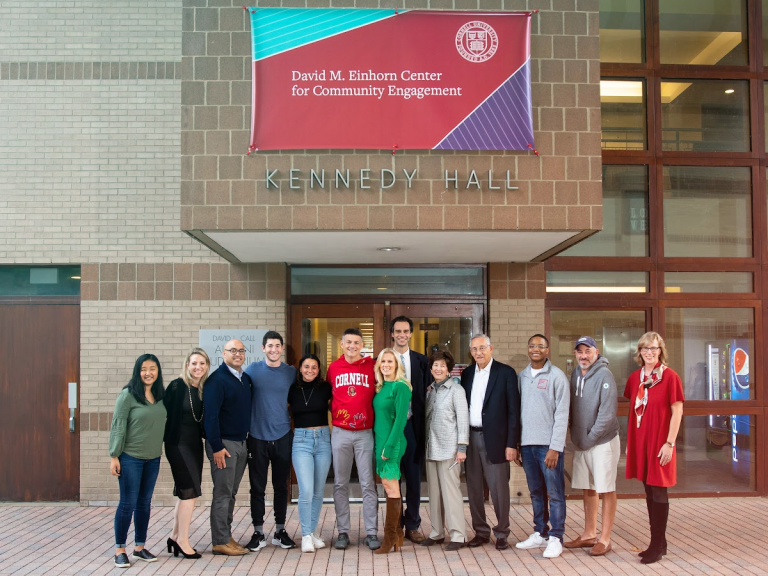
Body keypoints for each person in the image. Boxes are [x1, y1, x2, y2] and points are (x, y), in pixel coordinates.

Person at [624, 332, 684, 565]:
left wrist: (669, 443)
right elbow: (634, 413)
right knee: (648, 490)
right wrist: (631, 444)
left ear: (661, 351)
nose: (649, 352)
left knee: (659, 490)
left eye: (654, 348)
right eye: (645, 348)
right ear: (639, 351)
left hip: (661, 443)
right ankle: (660, 542)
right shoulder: (634, 378)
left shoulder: (670, 377)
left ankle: (656, 545)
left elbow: (677, 411)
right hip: (641, 442)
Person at [461, 334, 520, 551]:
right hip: (471, 438)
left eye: (482, 348)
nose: (478, 352)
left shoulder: (505, 373)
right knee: (474, 488)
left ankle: (502, 532)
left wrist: (512, 444)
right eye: (474, 349)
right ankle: (481, 532)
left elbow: (514, 412)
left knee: (499, 489)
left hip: (496, 440)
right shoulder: (467, 374)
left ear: (491, 348)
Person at [109, 354, 167, 568]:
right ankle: (120, 550)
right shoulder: (128, 395)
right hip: (130, 458)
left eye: (152, 368)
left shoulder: (160, 396)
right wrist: (114, 455)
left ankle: (139, 547)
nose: (148, 373)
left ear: (158, 371)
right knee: (127, 503)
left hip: (153, 458)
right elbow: (118, 425)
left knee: (144, 503)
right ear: (137, 371)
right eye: (144, 369)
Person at [564, 336, 620, 557]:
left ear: (597, 352)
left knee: (606, 488)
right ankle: (589, 534)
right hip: (582, 442)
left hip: (602, 441)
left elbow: (606, 415)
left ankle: (605, 539)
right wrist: (575, 435)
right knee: (589, 487)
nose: (583, 355)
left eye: (587, 351)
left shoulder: (605, 375)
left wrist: (588, 439)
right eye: (579, 352)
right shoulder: (576, 373)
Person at [515, 334, 569, 559]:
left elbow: (562, 414)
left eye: (540, 346)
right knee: (536, 492)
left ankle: (556, 537)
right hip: (527, 445)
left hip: (548, 446)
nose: (535, 349)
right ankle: (541, 532)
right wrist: (517, 444)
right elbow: (517, 413)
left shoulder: (557, 376)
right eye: (532, 346)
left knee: (555, 493)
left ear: (548, 350)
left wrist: (555, 447)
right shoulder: (522, 376)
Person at [327, 328, 380, 550]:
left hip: (365, 433)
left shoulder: (371, 366)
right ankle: (343, 532)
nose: (352, 346)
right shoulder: (333, 368)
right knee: (340, 483)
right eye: (348, 342)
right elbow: (329, 396)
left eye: (356, 342)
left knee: (368, 483)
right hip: (340, 432)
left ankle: (371, 532)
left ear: (362, 345)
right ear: (341, 344)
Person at [244, 331, 297, 551]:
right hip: (256, 436)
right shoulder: (252, 371)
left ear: (282, 348)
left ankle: (280, 531)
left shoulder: (291, 373)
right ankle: (258, 532)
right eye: (270, 346)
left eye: (277, 346)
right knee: (257, 488)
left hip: (283, 435)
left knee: (281, 487)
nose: (274, 349)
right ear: (263, 348)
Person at [202, 339, 252, 556]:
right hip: (223, 446)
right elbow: (210, 417)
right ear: (223, 353)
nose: (238, 354)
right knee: (222, 493)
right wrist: (216, 447)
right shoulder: (216, 380)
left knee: (231, 493)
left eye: (241, 351)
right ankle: (219, 541)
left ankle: (226, 535)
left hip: (241, 443)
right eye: (233, 350)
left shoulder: (245, 378)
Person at [163, 348, 210, 560]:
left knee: (185, 492)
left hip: (194, 446)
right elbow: (161, 413)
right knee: (190, 492)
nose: (198, 367)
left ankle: (174, 537)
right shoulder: (176, 386)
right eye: (194, 363)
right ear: (187, 365)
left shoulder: (203, 389)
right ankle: (183, 540)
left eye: (202, 363)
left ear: (207, 366)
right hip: (177, 444)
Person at [420, 349, 468, 551]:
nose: (438, 368)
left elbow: (463, 420)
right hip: (431, 448)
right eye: (435, 365)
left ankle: (458, 535)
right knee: (434, 493)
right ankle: (436, 532)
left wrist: (462, 448)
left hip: (450, 450)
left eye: (442, 365)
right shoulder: (431, 389)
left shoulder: (456, 390)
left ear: (449, 369)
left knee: (451, 493)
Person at [287, 354, 333, 553]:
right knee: (305, 490)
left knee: (318, 491)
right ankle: (305, 535)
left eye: (314, 367)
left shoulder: (325, 388)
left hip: (323, 439)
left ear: (319, 369)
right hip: (301, 441)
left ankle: (312, 532)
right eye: (306, 367)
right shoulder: (292, 389)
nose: (310, 371)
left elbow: (337, 408)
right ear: (300, 368)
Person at [390, 316, 429, 543]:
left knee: (414, 479)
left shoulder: (422, 361)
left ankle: (412, 524)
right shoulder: (383, 360)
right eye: (398, 331)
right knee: (392, 479)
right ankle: (394, 525)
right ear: (392, 334)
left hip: (413, 428)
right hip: (391, 430)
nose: (402, 335)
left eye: (406, 331)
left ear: (411, 334)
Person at [372, 348, 413, 554]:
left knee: (391, 487)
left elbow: (400, 421)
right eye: (383, 361)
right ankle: (397, 534)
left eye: (390, 361)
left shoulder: (401, 387)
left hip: (392, 443)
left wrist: (388, 446)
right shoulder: (382, 387)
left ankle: (389, 539)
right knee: (390, 487)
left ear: (397, 364)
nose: (386, 365)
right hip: (380, 442)